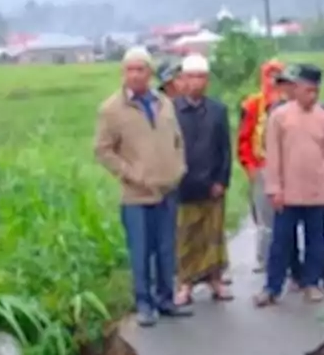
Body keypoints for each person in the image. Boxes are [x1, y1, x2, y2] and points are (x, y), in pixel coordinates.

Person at [94, 47, 191, 327]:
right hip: (136, 195)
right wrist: (130, 173)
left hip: (167, 189)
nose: (134, 75)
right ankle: (144, 303)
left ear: (149, 73)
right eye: (129, 69)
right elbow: (102, 150)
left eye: (140, 69)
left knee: (166, 248)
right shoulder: (112, 109)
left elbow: (177, 140)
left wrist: (178, 168)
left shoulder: (163, 103)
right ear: (123, 73)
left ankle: (165, 299)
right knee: (141, 250)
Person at [255, 64, 324, 307]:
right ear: (296, 89)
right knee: (281, 242)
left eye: (315, 91)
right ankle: (272, 288)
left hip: (317, 192)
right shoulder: (280, 117)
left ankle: (312, 283)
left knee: (316, 240)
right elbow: (273, 156)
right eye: (307, 91)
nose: (312, 96)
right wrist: (274, 189)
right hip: (288, 193)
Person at [173, 54, 233, 305]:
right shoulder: (172, 110)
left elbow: (225, 149)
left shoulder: (218, 110)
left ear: (207, 80)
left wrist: (222, 180)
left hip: (212, 184)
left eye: (201, 76)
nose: (196, 82)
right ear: (183, 80)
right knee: (186, 237)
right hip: (182, 185)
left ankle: (215, 281)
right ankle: (185, 285)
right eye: (191, 77)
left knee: (213, 237)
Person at [237, 59, 288, 273]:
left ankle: (288, 259)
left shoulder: (290, 103)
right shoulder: (252, 104)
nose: (273, 80)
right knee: (265, 218)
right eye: (269, 74)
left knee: (288, 217)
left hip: (288, 169)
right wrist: (250, 166)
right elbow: (244, 139)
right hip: (261, 166)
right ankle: (265, 260)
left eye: (277, 75)